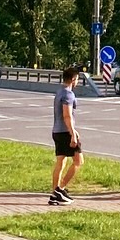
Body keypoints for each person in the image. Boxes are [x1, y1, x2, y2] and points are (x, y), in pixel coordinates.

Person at [50, 65, 84, 206]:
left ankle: (55, 193)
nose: (77, 82)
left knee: (61, 162)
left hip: (57, 131)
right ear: (73, 79)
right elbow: (67, 115)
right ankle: (60, 189)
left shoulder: (59, 92)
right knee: (78, 161)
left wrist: (73, 130)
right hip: (65, 132)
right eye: (77, 79)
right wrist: (72, 133)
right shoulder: (68, 94)